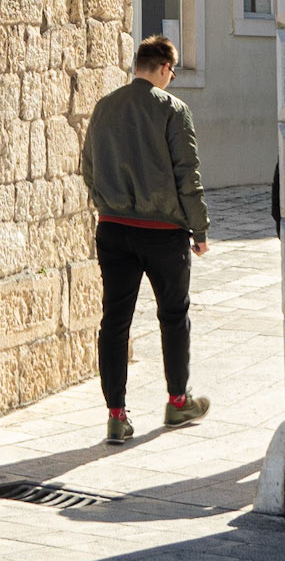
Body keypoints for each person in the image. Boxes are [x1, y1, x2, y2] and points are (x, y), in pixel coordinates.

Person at [80, 33, 210, 444]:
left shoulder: (104, 107)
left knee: (114, 321)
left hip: (114, 228)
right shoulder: (174, 110)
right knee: (173, 316)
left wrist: (108, 204)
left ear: (137, 63)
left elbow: (87, 166)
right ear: (165, 68)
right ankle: (177, 402)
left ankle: (116, 416)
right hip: (163, 233)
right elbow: (187, 174)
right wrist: (200, 229)